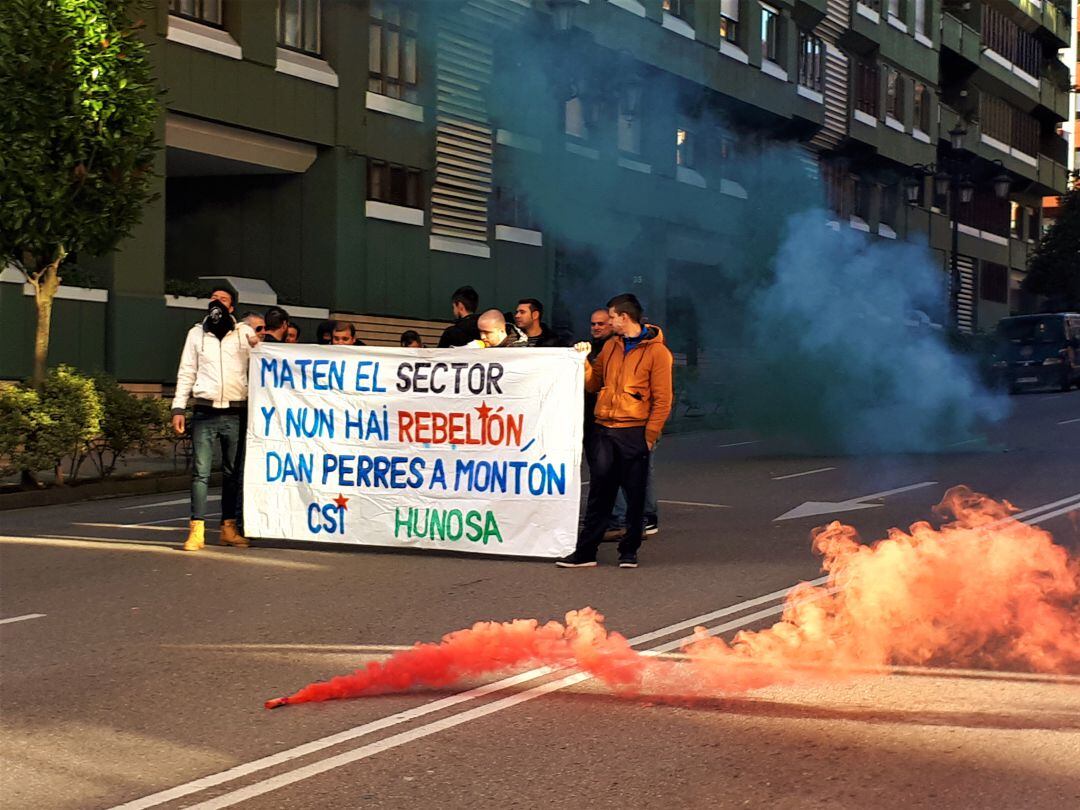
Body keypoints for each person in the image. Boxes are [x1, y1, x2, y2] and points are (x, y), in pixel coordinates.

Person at [558, 293, 673, 569]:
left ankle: (629, 550)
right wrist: (584, 361)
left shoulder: (658, 352)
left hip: (634, 431)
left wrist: (649, 436)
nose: (607, 322)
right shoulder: (610, 347)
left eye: (611, 317)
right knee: (600, 492)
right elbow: (593, 384)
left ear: (624, 317)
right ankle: (586, 551)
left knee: (634, 495)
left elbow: (663, 399)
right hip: (604, 430)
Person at [171, 285, 258, 552]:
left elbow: (260, 360)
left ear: (232, 307)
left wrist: (256, 343)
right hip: (205, 411)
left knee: (232, 474)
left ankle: (228, 528)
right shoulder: (196, 334)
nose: (217, 303)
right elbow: (187, 371)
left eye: (223, 300)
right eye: (213, 299)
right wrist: (178, 408)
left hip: (235, 412)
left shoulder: (243, 333)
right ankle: (196, 530)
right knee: (201, 473)